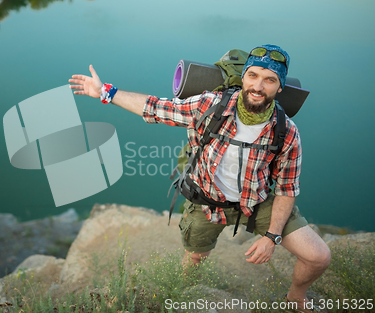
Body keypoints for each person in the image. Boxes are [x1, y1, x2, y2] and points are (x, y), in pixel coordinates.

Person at [69, 44, 331, 313]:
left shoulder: (287, 131)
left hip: (257, 202)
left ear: (280, 87)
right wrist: (105, 92)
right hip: (208, 201)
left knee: (318, 257)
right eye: (252, 75)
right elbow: (157, 108)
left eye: (270, 80)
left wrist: (272, 236)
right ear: (243, 78)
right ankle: (181, 296)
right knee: (194, 257)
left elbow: (287, 188)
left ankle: (296, 298)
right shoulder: (211, 105)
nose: (258, 86)